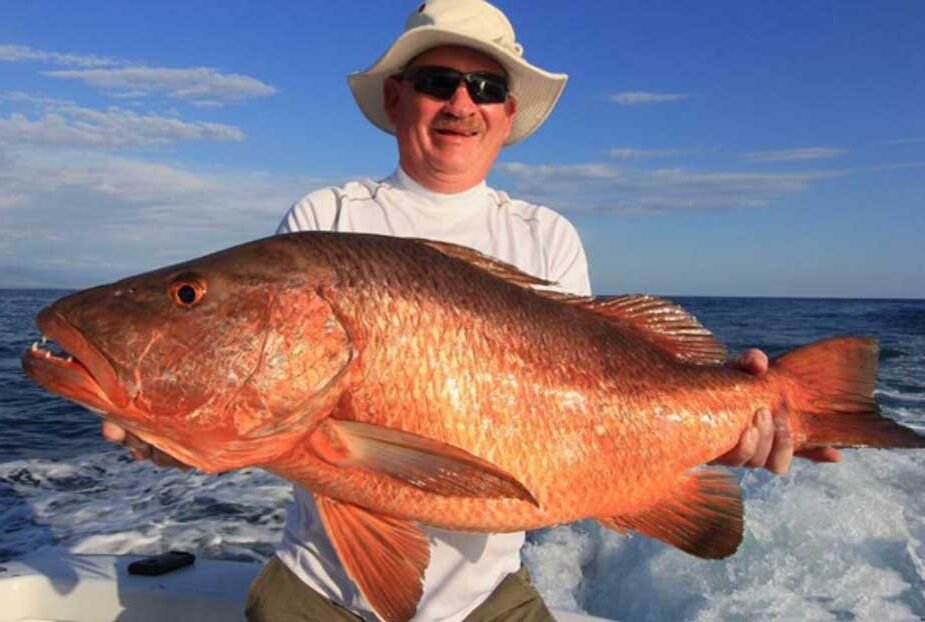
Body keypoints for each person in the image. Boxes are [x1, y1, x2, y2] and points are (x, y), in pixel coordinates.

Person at [103, 1, 841, 619]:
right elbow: (268, 413)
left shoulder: (544, 235)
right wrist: (173, 423)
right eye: (437, 81)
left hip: (490, 599)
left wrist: (729, 426)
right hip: (316, 588)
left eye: (485, 87)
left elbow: (599, 415)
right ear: (396, 98)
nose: (461, 102)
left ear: (507, 112)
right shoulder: (325, 215)